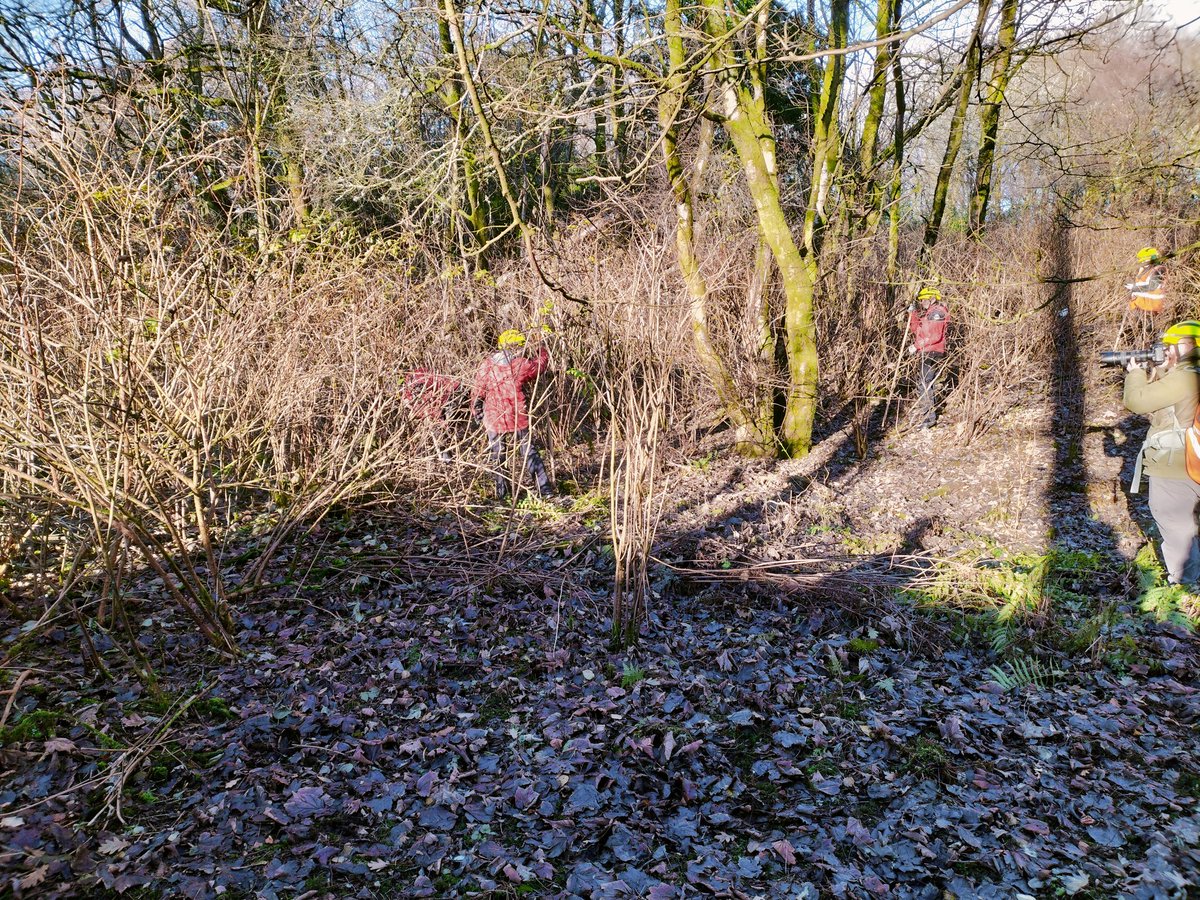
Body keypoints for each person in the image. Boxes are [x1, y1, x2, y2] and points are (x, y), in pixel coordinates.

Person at [1124, 320, 1200, 587]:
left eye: (1170, 346)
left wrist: (1134, 374)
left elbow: (1137, 401)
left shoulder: (1187, 375)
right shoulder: (1188, 373)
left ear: (1188, 345)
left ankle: (1184, 592)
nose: (1166, 351)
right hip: (1192, 462)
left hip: (1177, 465)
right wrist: (1163, 370)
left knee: (1178, 528)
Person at [471, 328, 553, 500]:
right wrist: (541, 349)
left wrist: (476, 409)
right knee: (528, 451)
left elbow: (478, 390)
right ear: (516, 346)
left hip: (494, 417)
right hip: (517, 415)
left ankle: (503, 495)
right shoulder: (519, 365)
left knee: (498, 455)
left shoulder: (487, 365)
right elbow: (539, 366)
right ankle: (545, 490)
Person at [907, 286, 950, 429]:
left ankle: (929, 419)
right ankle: (928, 416)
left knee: (925, 384)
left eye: (924, 299)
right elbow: (916, 330)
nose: (922, 302)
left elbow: (935, 336)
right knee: (924, 383)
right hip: (926, 350)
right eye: (921, 300)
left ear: (932, 298)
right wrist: (912, 313)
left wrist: (917, 346)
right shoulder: (928, 313)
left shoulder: (937, 313)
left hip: (933, 351)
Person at [401, 368, 462, 462]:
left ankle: (447, 458)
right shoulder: (413, 390)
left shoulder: (436, 384)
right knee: (438, 433)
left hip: (448, 401)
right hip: (437, 408)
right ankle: (445, 458)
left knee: (442, 432)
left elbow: (452, 389)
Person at [1126, 247, 1167, 314]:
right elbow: (1141, 282)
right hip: (1142, 305)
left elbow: (1152, 286)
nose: (1142, 263)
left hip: (1152, 306)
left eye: (1144, 261)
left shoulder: (1159, 270)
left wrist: (1134, 287)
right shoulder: (1146, 269)